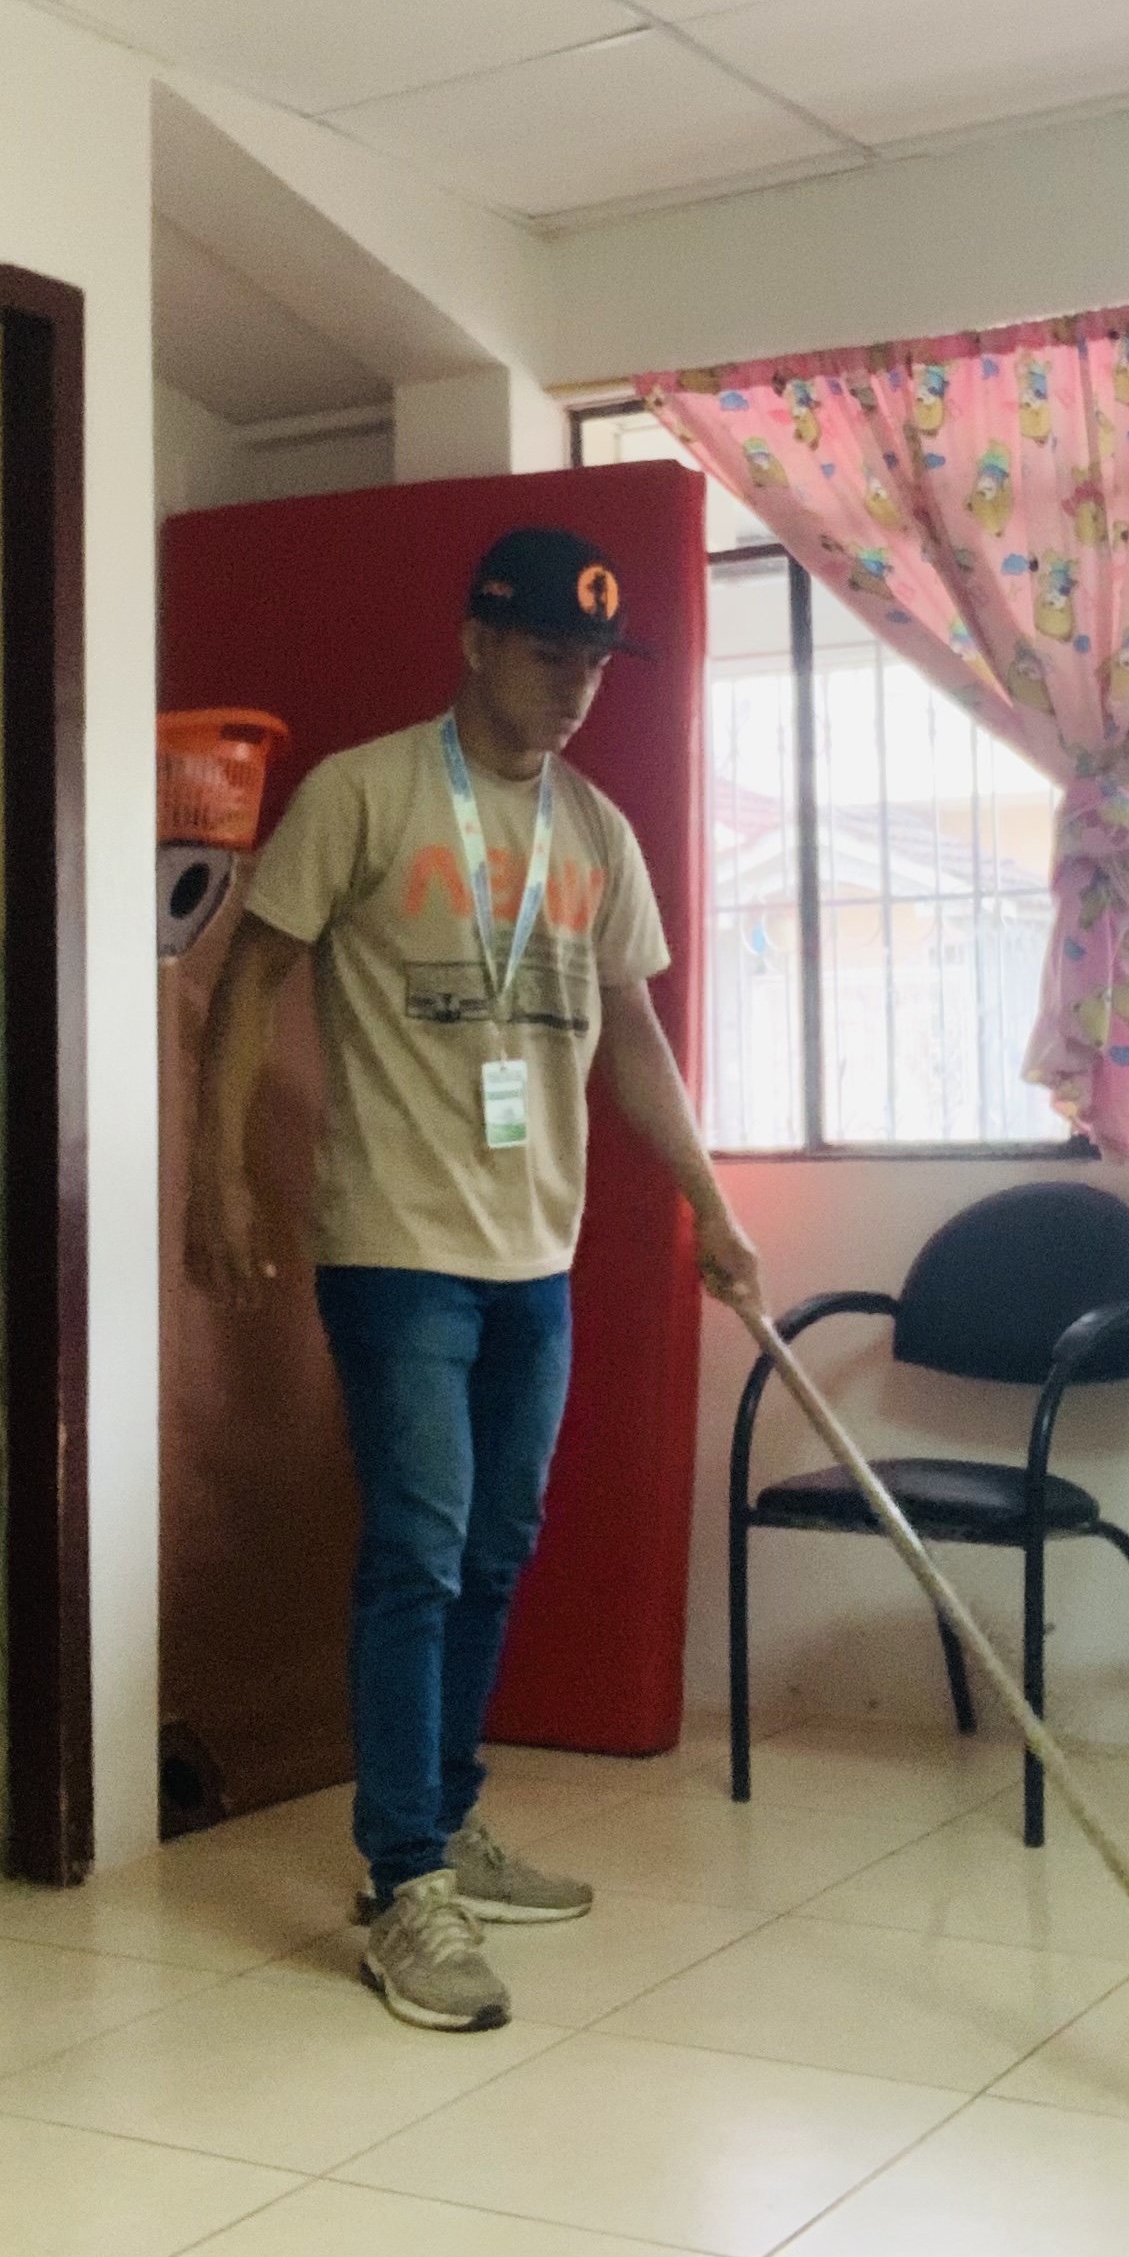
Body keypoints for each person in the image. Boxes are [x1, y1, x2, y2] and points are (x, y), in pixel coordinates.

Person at [189, 525, 762, 2032]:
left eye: (597, 663)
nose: (577, 686)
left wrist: (708, 1204)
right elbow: (250, 979)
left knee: (496, 1547)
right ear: (477, 642)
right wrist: (216, 1173)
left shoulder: (596, 832)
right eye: (551, 653)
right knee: (420, 1550)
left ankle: (442, 1820)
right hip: (396, 1246)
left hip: (536, 1255)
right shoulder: (365, 793)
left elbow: (633, 1037)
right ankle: (403, 1884)